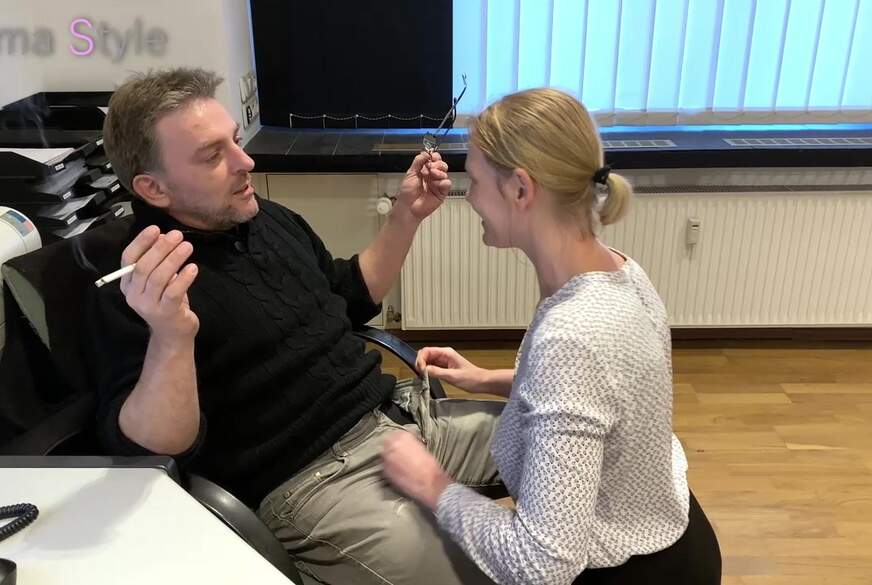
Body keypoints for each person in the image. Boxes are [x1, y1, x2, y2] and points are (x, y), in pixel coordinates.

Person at [87, 67, 505, 585]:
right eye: (213, 156)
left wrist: (406, 215)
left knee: (572, 453)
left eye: (235, 141)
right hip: (318, 484)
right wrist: (171, 336)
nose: (246, 161)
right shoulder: (140, 288)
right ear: (154, 188)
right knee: (486, 575)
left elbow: (348, 297)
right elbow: (155, 447)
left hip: (402, 421)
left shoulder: (265, 218)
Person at [382, 88, 722, 585]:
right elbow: (601, 394)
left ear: (521, 188)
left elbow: (542, 563)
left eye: (475, 181)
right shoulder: (622, 273)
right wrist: (486, 379)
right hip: (679, 538)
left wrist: (432, 484)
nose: (469, 196)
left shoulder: (571, 336)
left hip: (633, 571)